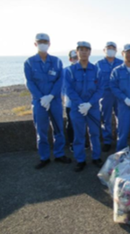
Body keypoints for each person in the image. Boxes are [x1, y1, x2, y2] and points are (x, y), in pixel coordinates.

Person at [24, 33, 71, 169]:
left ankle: (59, 154)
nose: (42, 44)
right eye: (40, 42)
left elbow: (60, 80)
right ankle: (44, 157)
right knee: (41, 131)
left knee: (58, 129)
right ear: (35, 44)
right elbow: (29, 82)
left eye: (45, 41)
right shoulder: (29, 62)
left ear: (49, 43)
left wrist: (50, 96)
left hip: (55, 101)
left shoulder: (56, 61)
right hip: (39, 102)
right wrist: (41, 97)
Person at [65, 41, 104, 172]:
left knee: (94, 133)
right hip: (77, 108)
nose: (84, 52)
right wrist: (81, 103)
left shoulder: (97, 70)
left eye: (86, 50)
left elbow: (100, 89)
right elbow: (68, 89)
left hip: (92, 107)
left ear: (90, 52)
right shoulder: (70, 71)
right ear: (77, 52)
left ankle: (96, 157)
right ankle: (80, 160)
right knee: (78, 135)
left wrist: (90, 103)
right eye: (81, 50)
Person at [95, 42, 123, 152]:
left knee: (120, 118)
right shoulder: (98, 64)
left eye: (112, 48)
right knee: (105, 118)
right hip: (105, 95)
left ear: (116, 50)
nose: (110, 50)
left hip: (118, 95)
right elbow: (95, 81)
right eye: (108, 48)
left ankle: (120, 140)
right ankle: (107, 141)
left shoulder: (121, 63)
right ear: (104, 50)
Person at [62, 50, 77, 152]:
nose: (76, 59)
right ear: (70, 59)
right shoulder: (65, 71)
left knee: (82, 124)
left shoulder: (87, 69)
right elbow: (64, 89)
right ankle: (71, 143)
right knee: (71, 124)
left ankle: (81, 141)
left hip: (84, 104)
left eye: (77, 57)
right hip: (70, 103)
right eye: (74, 58)